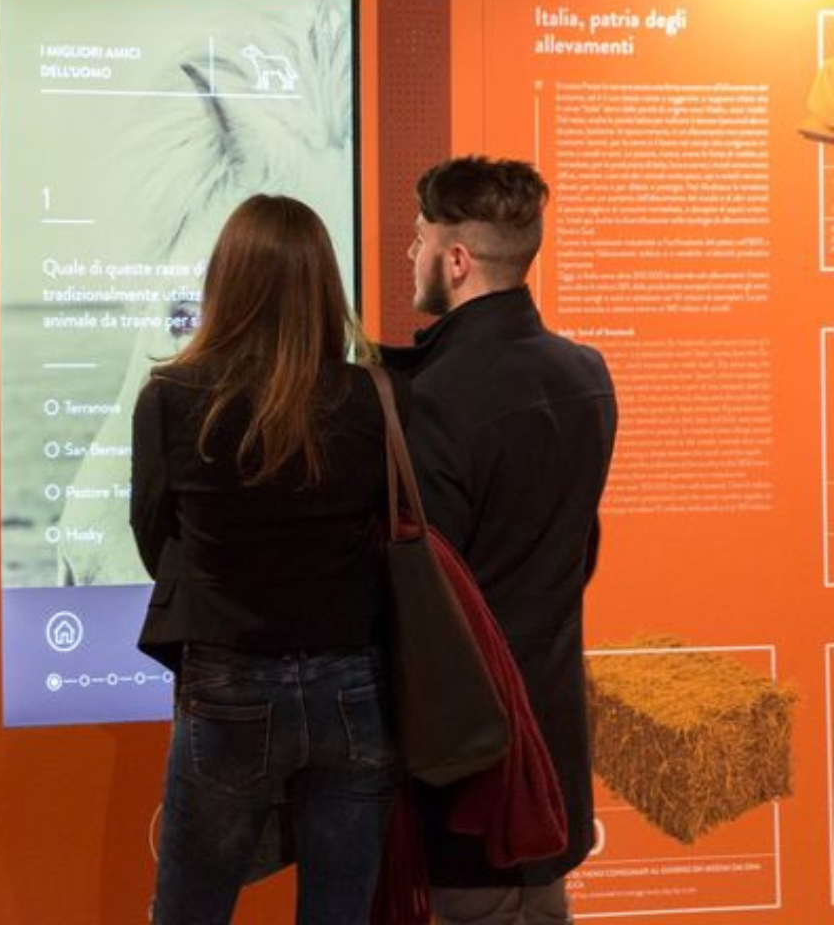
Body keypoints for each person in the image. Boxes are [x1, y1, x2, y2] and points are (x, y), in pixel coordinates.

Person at [131, 194, 399, 925]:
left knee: (189, 909)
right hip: (354, 687)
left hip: (228, 681)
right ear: (324, 288)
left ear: (226, 282)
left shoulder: (171, 396)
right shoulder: (371, 395)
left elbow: (155, 539)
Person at [383, 156, 617, 925]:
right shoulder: (587, 377)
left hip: (470, 769)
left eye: (417, 239)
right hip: (552, 748)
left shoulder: (431, 399)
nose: (408, 256)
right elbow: (577, 554)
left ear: (455, 260)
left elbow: (426, 605)